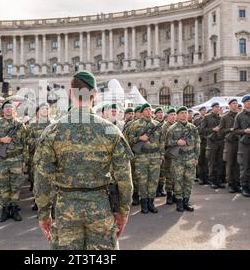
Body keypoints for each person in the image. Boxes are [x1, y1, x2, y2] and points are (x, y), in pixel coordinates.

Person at [34, 71, 133, 250]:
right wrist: (123, 212)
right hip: (100, 208)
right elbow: (125, 179)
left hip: (66, 209)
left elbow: (42, 179)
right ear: (94, 94)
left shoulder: (52, 131)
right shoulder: (111, 131)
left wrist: (43, 214)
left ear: (71, 94)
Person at [0, 101, 28, 223]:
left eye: (10, 107)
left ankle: (14, 209)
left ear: (14, 111)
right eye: (6, 107)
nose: (8, 109)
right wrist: (1, 139)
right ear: (2, 111)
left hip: (16, 159)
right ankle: (5, 210)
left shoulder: (20, 125)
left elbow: (25, 144)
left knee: (16, 186)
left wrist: (24, 161)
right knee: (3, 185)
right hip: (2, 160)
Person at [126, 103, 164, 215]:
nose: (148, 111)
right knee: (142, 181)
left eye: (149, 109)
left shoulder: (157, 124)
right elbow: (129, 140)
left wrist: (161, 156)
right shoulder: (135, 125)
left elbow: (162, 142)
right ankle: (143, 203)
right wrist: (139, 138)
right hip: (141, 157)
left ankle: (151, 203)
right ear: (142, 112)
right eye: (146, 110)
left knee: (153, 180)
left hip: (155, 156)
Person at [166, 106, 200, 212]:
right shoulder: (171, 129)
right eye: (182, 113)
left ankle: (186, 201)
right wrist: (177, 142)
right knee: (178, 180)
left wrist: (196, 157)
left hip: (190, 157)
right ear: (177, 115)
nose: (184, 114)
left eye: (186, 112)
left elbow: (197, 143)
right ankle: (179, 201)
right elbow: (166, 143)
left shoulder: (192, 128)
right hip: (177, 158)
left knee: (189, 180)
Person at [233, 95, 250, 198]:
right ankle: (244, 187)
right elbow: (235, 131)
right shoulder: (239, 116)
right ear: (243, 103)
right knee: (244, 167)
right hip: (244, 145)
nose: (249, 103)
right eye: (247, 101)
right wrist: (244, 131)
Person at [27, 103, 51, 211]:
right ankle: (38, 203)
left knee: (52, 183)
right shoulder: (32, 126)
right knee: (37, 183)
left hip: (51, 160)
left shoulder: (53, 125)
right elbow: (28, 141)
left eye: (47, 109)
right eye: (42, 109)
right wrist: (39, 141)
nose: (44, 111)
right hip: (37, 160)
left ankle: (52, 206)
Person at [200, 102, 224, 189]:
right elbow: (202, 129)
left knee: (220, 162)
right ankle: (212, 180)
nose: (218, 108)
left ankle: (219, 180)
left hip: (220, 141)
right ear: (213, 108)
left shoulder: (221, 117)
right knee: (212, 162)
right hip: (211, 141)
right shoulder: (207, 117)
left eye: (219, 107)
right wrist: (212, 129)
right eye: (216, 107)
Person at [219, 99, 240, 193]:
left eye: (236, 103)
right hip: (230, 142)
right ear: (230, 105)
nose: (235, 105)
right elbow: (220, 131)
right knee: (230, 164)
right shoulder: (225, 117)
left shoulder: (240, 116)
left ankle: (236, 183)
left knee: (238, 164)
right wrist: (229, 130)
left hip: (240, 142)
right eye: (233, 103)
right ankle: (231, 184)